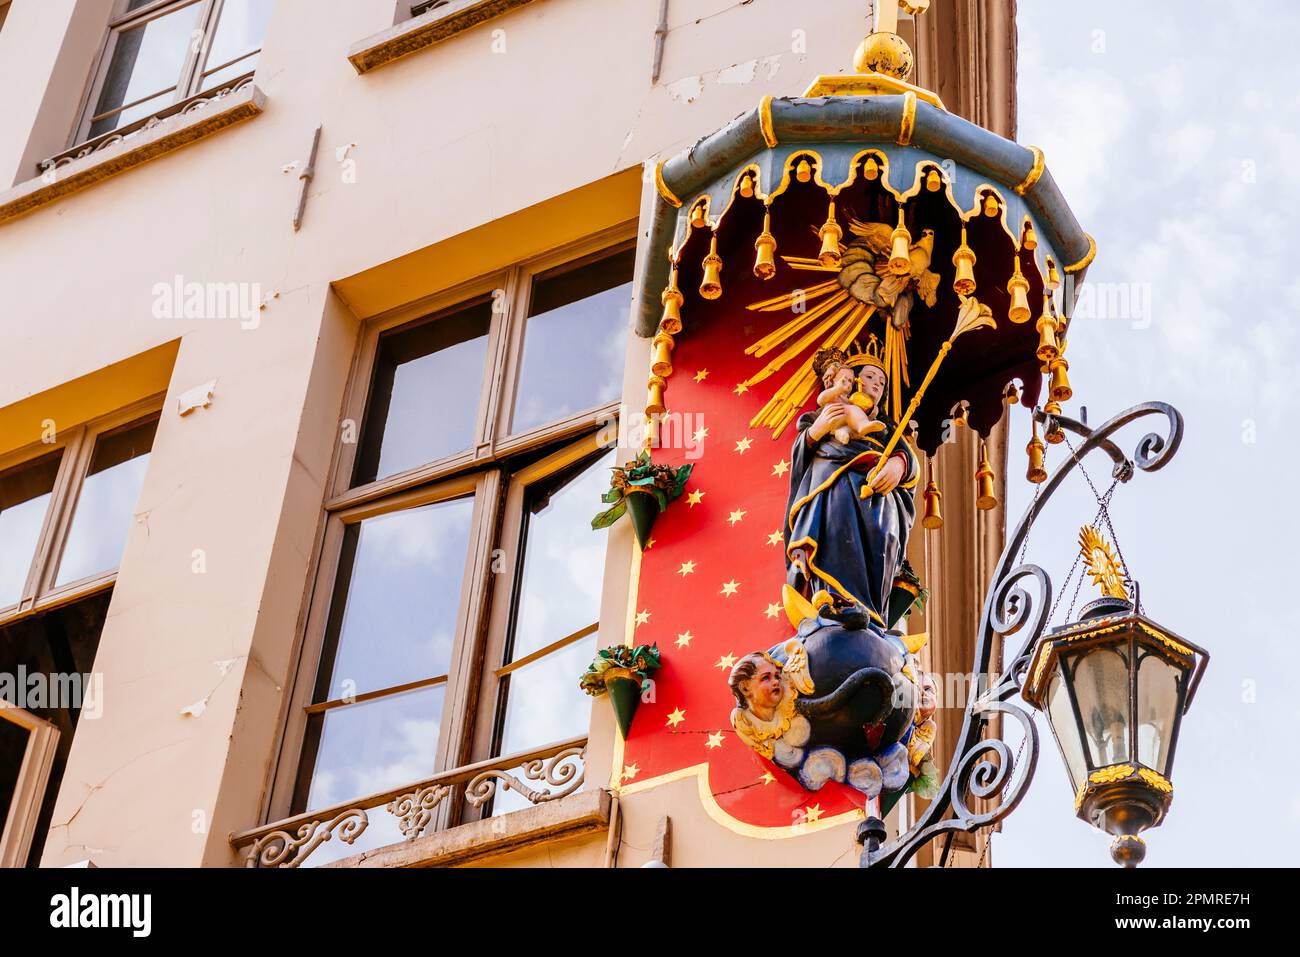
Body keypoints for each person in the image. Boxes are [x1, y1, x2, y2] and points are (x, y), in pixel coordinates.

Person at [785, 340, 919, 628]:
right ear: (853, 379)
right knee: (834, 529)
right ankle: (831, 600)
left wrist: (898, 466)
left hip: (879, 497)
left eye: (882, 382)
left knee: (884, 536)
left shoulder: (886, 429)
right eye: (870, 376)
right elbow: (801, 452)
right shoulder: (823, 413)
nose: (877, 385)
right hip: (833, 484)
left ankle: (871, 612)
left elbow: (909, 460)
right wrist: (816, 432)